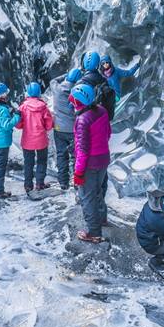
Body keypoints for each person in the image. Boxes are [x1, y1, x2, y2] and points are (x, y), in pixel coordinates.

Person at [70, 84, 111, 243]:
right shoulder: (102, 110)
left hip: (89, 163)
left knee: (87, 197)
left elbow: (82, 150)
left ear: (78, 100)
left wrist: (78, 172)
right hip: (103, 158)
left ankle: (94, 232)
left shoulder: (82, 120)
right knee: (98, 191)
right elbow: (108, 133)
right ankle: (102, 219)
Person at [16, 82, 54, 191]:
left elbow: (18, 125)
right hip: (41, 139)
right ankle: (40, 183)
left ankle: (28, 185)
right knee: (42, 161)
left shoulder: (22, 107)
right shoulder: (43, 107)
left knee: (28, 163)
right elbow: (48, 125)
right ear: (39, 93)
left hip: (27, 140)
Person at [52, 68, 81, 190]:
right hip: (73, 128)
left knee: (61, 154)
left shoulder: (56, 88)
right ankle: (76, 182)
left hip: (58, 128)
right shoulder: (77, 92)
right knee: (76, 156)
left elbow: (53, 80)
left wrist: (66, 74)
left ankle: (63, 182)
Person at [77, 51, 116, 121]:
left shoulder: (80, 83)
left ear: (84, 64)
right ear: (98, 65)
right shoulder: (104, 81)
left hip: (86, 123)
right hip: (101, 122)